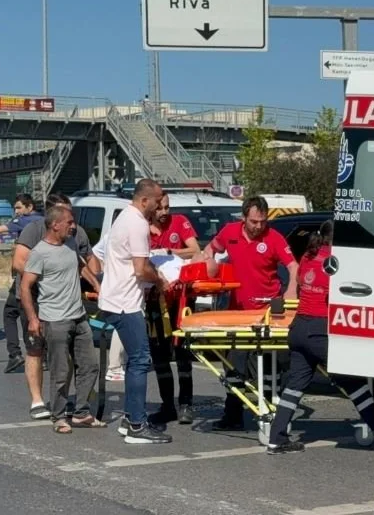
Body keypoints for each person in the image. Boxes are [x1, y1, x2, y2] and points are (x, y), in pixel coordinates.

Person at [266, 220, 374, 454]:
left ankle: (276, 439)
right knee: (354, 384)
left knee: (294, 387)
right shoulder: (335, 261)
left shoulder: (308, 255)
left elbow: (304, 283)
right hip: (320, 330)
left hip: (299, 329)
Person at [199, 196, 299, 430]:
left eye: (263, 221)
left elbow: (294, 266)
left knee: (271, 364)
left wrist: (292, 288)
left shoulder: (273, 238)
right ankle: (233, 414)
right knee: (234, 365)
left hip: (267, 312)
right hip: (238, 311)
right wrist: (208, 263)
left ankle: (271, 411)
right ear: (244, 218)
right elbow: (210, 249)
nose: (258, 226)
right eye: (254, 221)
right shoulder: (230, 232)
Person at [12, 193, 99, 420]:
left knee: (72, 357)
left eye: (72, 215)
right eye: (67, 216)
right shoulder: (34, 231)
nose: (73, 223)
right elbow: (20, 263)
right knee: (36, 348)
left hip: (69, 306)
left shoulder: (74, 234)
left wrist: (97, 282)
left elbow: (85, 260)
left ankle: (75, 405)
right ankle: (38, 400)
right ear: (53, 218)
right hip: (36, 297)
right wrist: (47, 278)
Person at [99, 179, 172, 444]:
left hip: (116, 298)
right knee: (141, 360)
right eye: (157, 201)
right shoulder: (138, 223)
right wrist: (160, 279)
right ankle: (137, 426)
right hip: (125, 302)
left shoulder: (124, 217)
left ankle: (131, 418)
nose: (159, 207)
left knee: (134, 361)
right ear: (144, 200)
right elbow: (141, 270)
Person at [147, 193, 200, 425]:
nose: (164, 212)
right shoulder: (142, 229)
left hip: (180, 299)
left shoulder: (179, 222)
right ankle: (167, 404)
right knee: (159, 353)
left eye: (167, 207)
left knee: (182, 351)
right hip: (154, 299)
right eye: (159, 208)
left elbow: (195, 250)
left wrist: (170, 252)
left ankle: (186, 403)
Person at [1, 194, 43, 373]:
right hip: (39, 275)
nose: (16, 211)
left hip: (25, 275)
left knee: (20, 314)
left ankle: (19, 354)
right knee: (19, 312)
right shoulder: (43, 221)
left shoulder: (25, 221)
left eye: (19, 207)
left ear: (29, 207)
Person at [93, 228, 126, 382]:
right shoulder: (117, 233)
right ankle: (114, 367)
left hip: (124, 284)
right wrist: (105, 270)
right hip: (121, 285)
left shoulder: (112, 233)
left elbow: (95, 251)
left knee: (125, 321)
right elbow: (96, 253)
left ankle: (119, 364)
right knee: (124, 321)